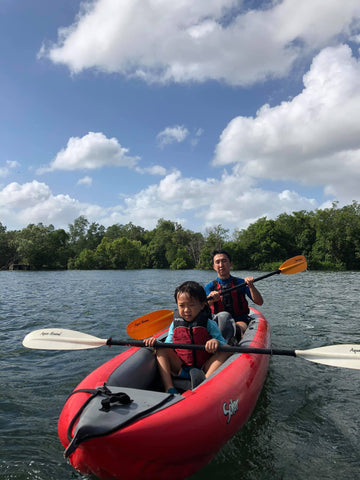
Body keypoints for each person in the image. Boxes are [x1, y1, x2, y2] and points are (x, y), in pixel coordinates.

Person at [144, 281, 231, 394]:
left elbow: (222, 342)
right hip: (180, 366)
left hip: (204, 366)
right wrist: (155, 342)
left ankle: (204, 382)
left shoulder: (209, 324)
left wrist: (216, 342)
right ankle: (169, 387)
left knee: (226, 349)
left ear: (202, 305)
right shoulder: (175, 324)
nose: (186, 310)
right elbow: (169, 344)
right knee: (161, 347)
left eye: (191, 305)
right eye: (182, 306)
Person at [205, 249, 263, 341]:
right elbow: (201, 307)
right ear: (214, 266)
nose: (221, 265)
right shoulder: (209, 287)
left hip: (239, 321)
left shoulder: (241, 283)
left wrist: (251, 286)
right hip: (218, 322)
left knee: (239, 326)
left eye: (224, 261)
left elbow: (259, 302)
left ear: (230, 263)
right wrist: (210, 299)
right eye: (217, 262)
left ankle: (235, 336)